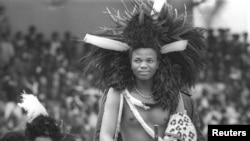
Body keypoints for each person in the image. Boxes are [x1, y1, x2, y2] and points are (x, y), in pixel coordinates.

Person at [81, 0, 207, 141]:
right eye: (138, 60)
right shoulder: (117, 93)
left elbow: (182, 134)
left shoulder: (174, 95)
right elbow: (104, 135)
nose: (143, 66)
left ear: (158, 63)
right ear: (130, 62)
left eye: (149, 60)